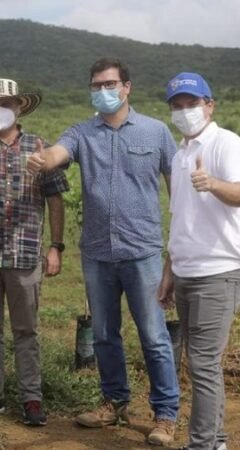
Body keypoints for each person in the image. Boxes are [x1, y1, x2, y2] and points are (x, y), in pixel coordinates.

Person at [27, 58, 179, 445]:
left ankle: (166, 413)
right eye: (96, 85)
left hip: (142, 250)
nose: (103, 91)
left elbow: (178, 189)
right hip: (97, 252)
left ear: (126, 87)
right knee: (106, 335)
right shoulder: (83, 132)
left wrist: (178, 244)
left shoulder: (156, 132)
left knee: (154, 335)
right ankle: (113, 402)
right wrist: (43, 160)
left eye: (109, 84)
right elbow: (58, 153)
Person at [0, 79, 68, 427]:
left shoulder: (40, 147)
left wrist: (56, 246)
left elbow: (55, 200)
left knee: (26, 329)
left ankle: (31, 398)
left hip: (25, 253)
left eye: (5, 103)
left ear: (20, 108)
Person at [158, 72, 240, 450]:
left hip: (218, 270)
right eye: (177, 106)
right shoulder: (179, 155)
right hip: (187, 270)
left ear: (210, 105)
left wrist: (215, 185)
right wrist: (169, 272)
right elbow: (180, 217)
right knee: (200, 362)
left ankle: (202, 444)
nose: (185, 111)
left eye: (193, 104)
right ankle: (217, 441)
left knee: (204, 364)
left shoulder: (226, 144)